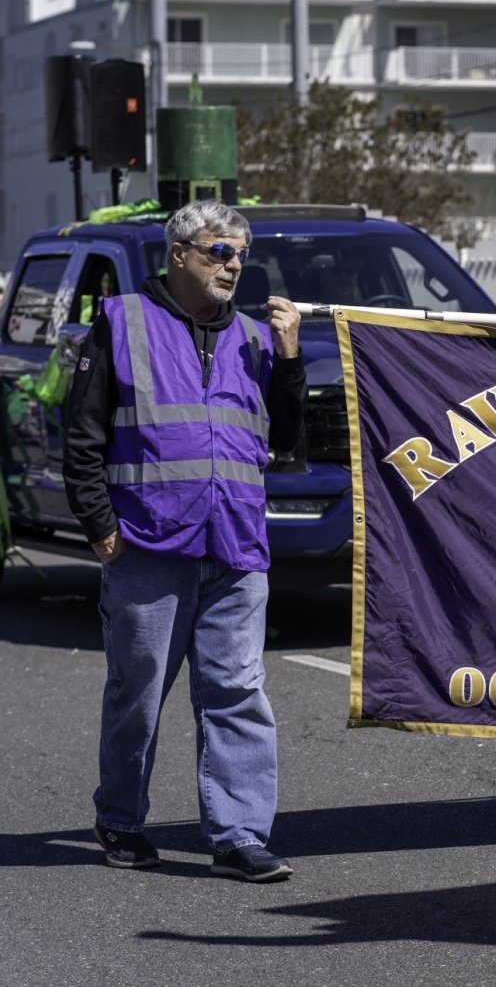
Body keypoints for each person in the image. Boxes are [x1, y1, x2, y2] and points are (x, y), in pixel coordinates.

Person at [63, 200, 306, 879]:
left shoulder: (258, 340)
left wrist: (289, 359)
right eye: (218, 250)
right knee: (136, 696)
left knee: (237, 693)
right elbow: (81, 437)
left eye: (239, 253)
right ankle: (119, 820)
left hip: (235, 548)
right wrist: (101, 529)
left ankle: (238, 836)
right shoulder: (122, 324)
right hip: (146, 544)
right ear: (179, 254)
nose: (232, 264)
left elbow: (285, 443)